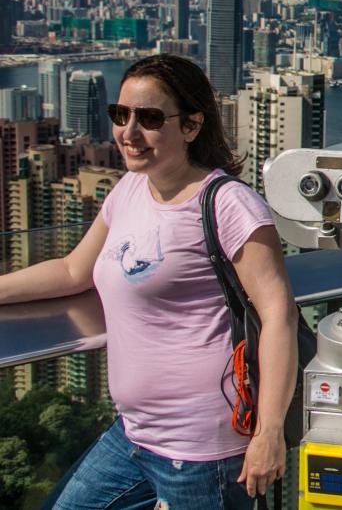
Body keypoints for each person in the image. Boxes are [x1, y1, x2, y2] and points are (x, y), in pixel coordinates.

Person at [0, 54, 299, 509]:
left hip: (203, 450)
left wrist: (269, 432)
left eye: (150, 118)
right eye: (121, 115)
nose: (129, 132)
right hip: (132, 433)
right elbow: (72, 271)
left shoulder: (229, 205)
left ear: (192, 126)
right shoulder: (129, 189)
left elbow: (279, 315)